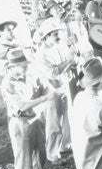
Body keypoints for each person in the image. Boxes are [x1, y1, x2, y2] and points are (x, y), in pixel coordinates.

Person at [0, 47, 64, 169]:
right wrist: (44, 98)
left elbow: (46, 86)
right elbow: (21, 105)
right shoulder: (8, 84)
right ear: (11, 67)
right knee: (24, 161)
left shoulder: (30, 75)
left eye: (25, 64)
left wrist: (52, 91)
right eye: (21, 65)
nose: (25, 67)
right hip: (20, 122)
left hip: (35, 119)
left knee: (40, 153)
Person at [33, 18, 77, 161]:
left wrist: (74, 60)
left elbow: (68, 65)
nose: (58, 36)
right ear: (46, 37)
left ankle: (65, 145)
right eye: (54, 34)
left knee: (67, 117)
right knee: (53, 122)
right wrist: (69, 60)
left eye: (58, 33)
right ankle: (52, 153)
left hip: (64, 85)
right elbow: (53, 73)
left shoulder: (60, 46)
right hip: (50, 90)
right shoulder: (41, 54)